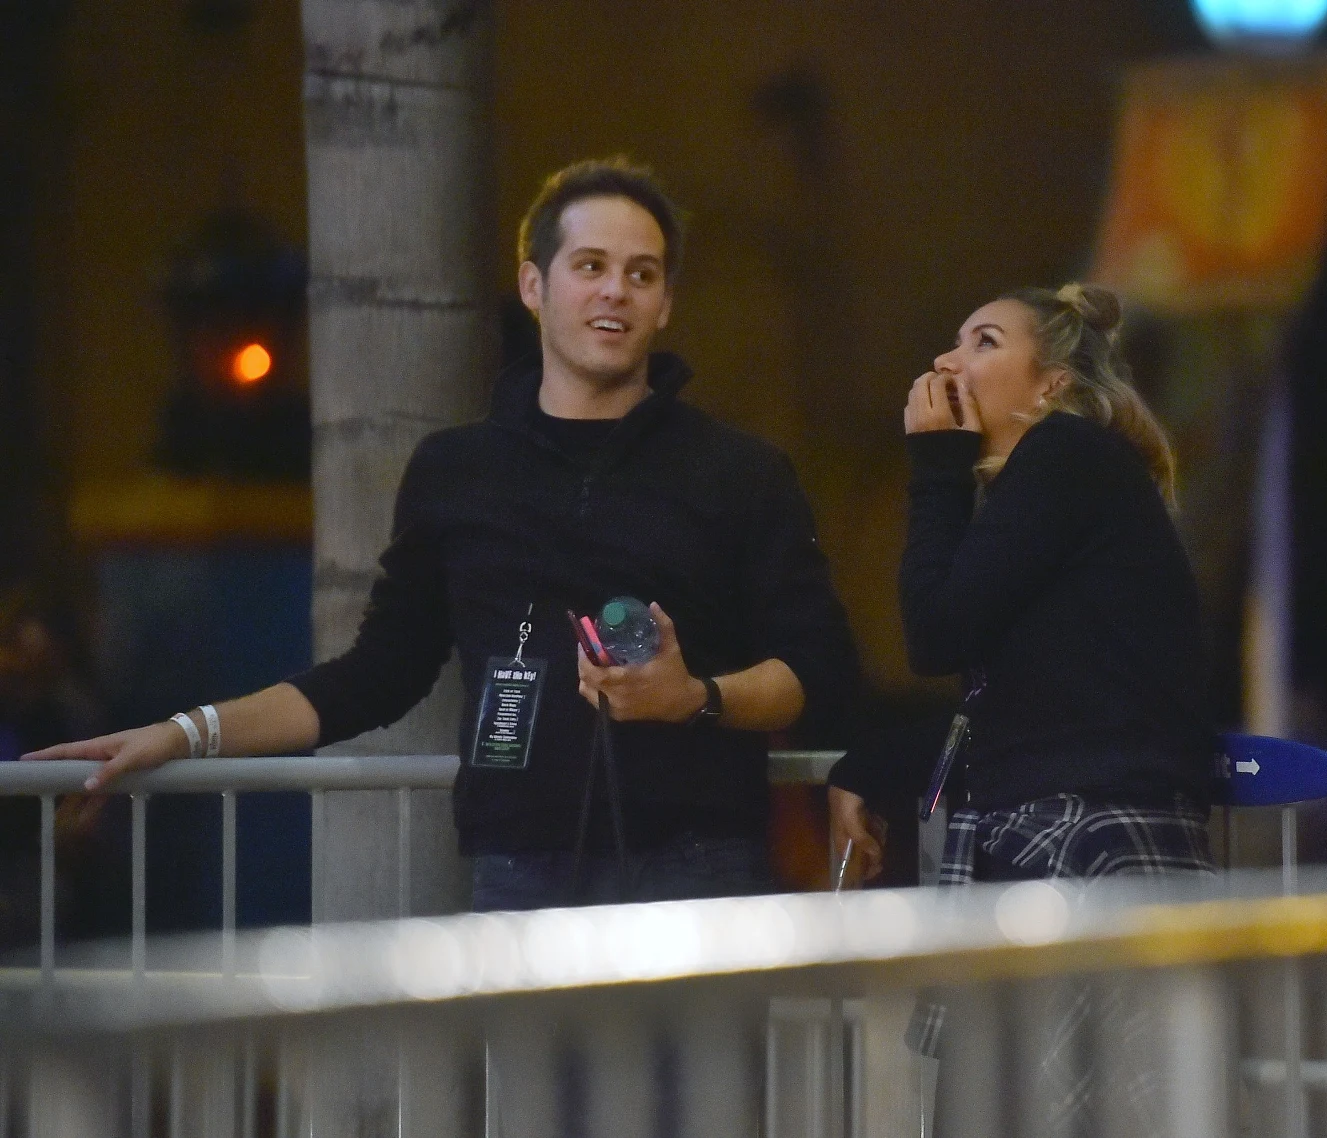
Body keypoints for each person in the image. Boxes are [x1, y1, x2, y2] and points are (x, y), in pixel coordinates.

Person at [26, 157, 858, 916]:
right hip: (520, 875)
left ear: (666, 302)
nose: (615, 291)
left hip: (701, 869)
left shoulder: (739, 470)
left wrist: (696, 697)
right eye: (589, 266)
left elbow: (815, 666)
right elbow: (375, 675)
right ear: (533, 284)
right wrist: (183, 733)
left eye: (641, 273)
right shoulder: (458, 470)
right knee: (521, 1053)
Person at [826, 282, 1214, 1135]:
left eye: (984, 342)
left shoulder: (1068, 457)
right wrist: (873, 765)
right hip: (1067, 830)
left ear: (1052, 386)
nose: (946, 362)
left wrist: (934, 470)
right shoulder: (1054, 488)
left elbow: (936, 634)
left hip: (1092, 837)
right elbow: (1031, 700)